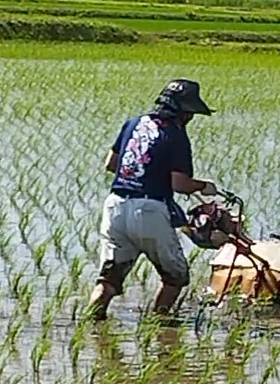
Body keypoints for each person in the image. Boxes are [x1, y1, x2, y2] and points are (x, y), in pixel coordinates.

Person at [88, 79, 219, 321]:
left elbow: (111, 164)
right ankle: (158, 325)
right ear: (184, 112)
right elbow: (179, 184)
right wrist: (204, 186)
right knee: (175, 277)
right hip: (149, 211)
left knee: (109, 278)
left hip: (115, 207)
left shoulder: (133, 123)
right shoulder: (176, 135)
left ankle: (91, 325)